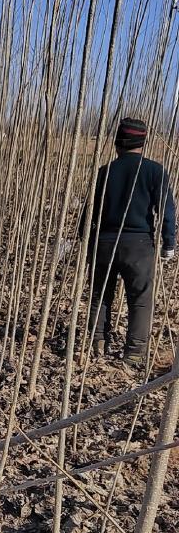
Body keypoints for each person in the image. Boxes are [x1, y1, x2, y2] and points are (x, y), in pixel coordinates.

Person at [83, 117, 175, 364]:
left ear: (118, 143)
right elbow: (166, 210)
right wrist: (169, 243)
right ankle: (134, 353)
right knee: (140, 299)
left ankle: (97, 343)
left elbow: (88, 211)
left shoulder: (104, 172)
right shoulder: (155, 171)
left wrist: (85, 237)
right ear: (142, 143)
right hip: (139, 246)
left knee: (100, 295)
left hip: (104, 241)